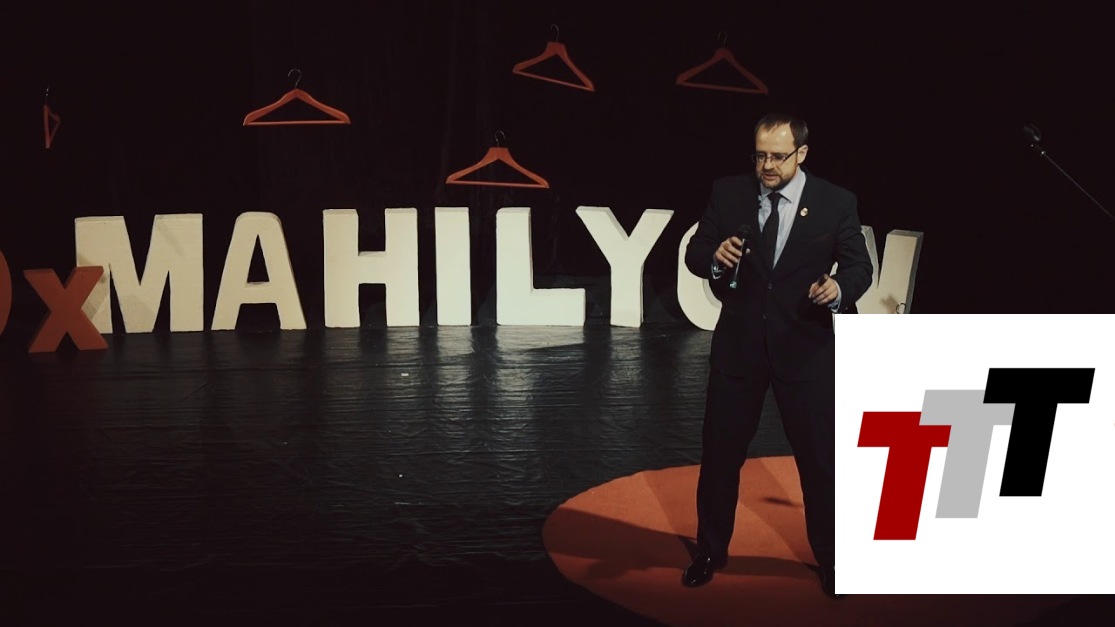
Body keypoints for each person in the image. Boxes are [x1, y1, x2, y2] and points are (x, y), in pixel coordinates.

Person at [682, 113, 872, 598]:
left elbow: (859, 267)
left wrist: (837, 289)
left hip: (805, 353)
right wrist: (714, 257)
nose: (766, 165)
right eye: (760, 155)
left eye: (777, 157)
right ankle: (709, 551)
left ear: (801, 154)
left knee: (819, 463)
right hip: (738, 351)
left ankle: (833, 561)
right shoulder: (728, 192)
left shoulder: (836, 202)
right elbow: (696, 251)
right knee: (720, 457)